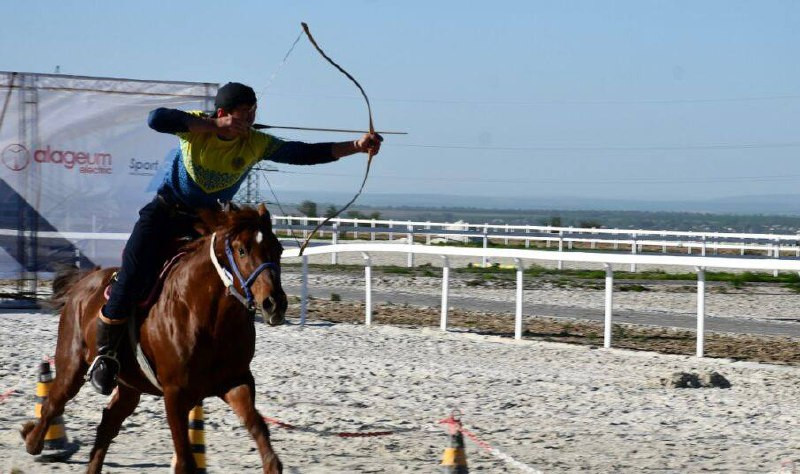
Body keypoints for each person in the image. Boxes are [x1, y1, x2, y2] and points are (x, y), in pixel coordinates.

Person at [88, 82, 382, 395]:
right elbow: (155, 119)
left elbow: (304, 153)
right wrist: (213, 124)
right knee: (132, 277)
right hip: (163, 216)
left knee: (229, 281)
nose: (250, 120)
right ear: (224, 113)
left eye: (254, 113)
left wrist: (356, 145)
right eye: (244, 114)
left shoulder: (255, 142)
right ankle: (106, 358)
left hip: (207, 223)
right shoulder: (195, 126)